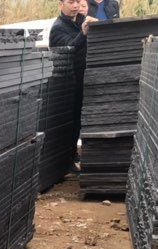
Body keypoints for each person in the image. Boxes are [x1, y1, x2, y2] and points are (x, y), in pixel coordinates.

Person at [50, 0, 96, 166]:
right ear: (61, 4)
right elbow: (69, 49)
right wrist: (83, 34)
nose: (75, 6)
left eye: (78, 1)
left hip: (84, 78)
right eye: (71, 2)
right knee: (70, 122)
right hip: (67, 84)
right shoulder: (58, 28)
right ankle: (68, 159)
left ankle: (76, 156)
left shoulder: (81, 20)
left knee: (80, 120)